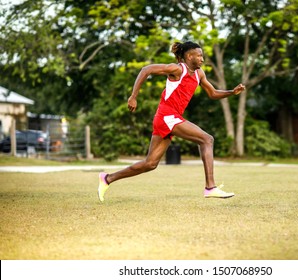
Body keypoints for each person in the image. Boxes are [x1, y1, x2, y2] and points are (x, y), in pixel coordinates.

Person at [98, 41, 245, 202]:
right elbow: (146, 70)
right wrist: (133, 96)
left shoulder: (199, 74)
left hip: (169, 119)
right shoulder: (177, 69)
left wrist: (231, 92)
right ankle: (210, 187)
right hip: (167, 116)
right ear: (189, 56)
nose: (202, 59)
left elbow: (213, 93)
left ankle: (107, 179)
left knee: (150, 163)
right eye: (199, 55)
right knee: (207, 139)